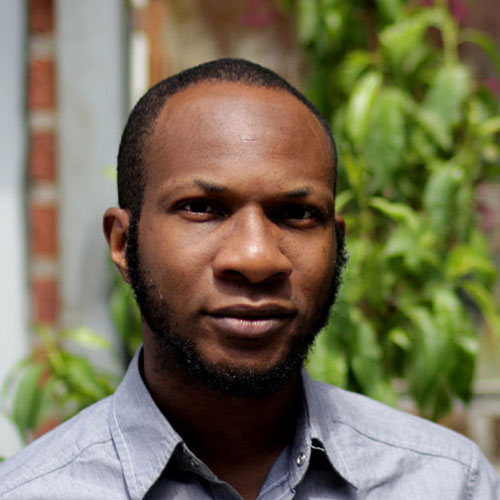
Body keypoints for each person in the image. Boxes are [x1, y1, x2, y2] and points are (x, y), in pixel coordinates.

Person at [0, 58, 498, 500]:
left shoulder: (448, 483)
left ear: (337, 243)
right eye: (202, 208)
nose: (257, 258)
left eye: (296, 214)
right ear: (122, 244)